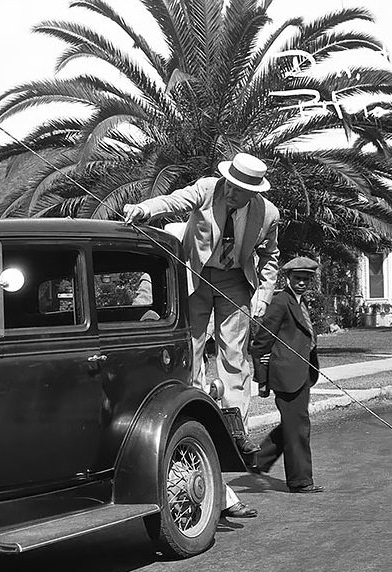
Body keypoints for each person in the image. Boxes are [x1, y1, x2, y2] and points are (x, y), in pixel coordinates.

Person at [124, 153, 280, 520]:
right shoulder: (207, 190)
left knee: (235, 359)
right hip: (196, 277)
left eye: (245, 192)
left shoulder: (268, 213)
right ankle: (193, 407)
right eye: (234, 188)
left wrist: (263, 295)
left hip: (235, 283)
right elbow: (173, 201)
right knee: (191, 348)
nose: (235, 196)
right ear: (227, 181)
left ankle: (234, 428)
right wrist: (144, 209)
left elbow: (271, 256)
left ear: (254, 192)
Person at [249, 256, 324, 494]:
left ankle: (256, 461)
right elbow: (261, 342)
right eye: (298, 278)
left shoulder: (300, 302)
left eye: (306, 279)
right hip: (286, 376)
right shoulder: (280, 301)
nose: (302, 283)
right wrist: (263, 379)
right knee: (298, 426)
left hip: (302, 373)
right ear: (288, 278)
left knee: (292, 424)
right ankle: (300, 481)